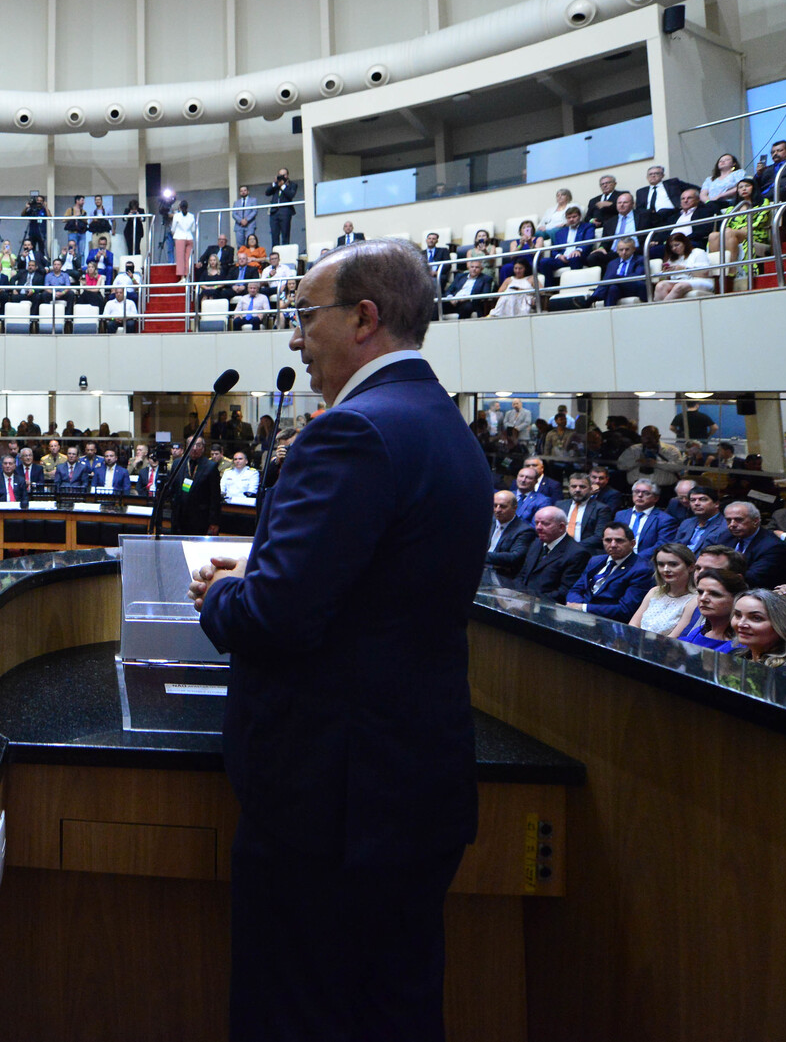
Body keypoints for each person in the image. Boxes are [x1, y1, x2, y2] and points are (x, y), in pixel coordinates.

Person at [187, 237, 489, 1042]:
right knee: (396, 1013)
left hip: (329, 810)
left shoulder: (351, 431)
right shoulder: (445, 425)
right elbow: (373, 589)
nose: (295, 338)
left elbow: (275, 619)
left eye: (305, 316)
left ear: (364, 318)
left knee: (297, 1016)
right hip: (412, 793)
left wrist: (223, 593)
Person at [564, 523, 655, 620]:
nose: (613, 545)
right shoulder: (595, 561)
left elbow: (626, 610)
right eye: (608, 540)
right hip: (580, 616)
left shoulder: (642, 570)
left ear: (632, 543)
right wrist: (576, 606)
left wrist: (583, 608)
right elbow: (575, 590)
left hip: (609, 622)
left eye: (619, 540)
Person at [729, 589, 786, 676]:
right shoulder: (736, 656)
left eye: (756, 618)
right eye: (738, 615)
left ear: (782, 626)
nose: (741, 624)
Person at [514, 506, 589, 601]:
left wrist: (532, 600)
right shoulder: (536, 543)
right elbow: (522, 574)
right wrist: (516, 593)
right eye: (536, 523)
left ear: (561, 527)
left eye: (545, 524)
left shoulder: (577, 554)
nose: (538, 527)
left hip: (546, 605)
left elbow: (565, 591)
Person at [628, 543, 699, 636]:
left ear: (691, 567)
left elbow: (673, 638)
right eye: (661, 564)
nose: (666, 569)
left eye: (673, 564)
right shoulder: (654, 591)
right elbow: (633, 625)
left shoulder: (694, 600)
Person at [722, 500, 786, 589]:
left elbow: (752, 579)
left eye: (739, 520)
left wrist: (717, 573)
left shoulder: (773, 547)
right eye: (728, 520)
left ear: (755, 521)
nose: (732, 525)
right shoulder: (726, 536)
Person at [675, 569, 745, 650]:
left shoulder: (742, 646)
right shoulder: (699, 631)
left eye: (715, 594)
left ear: (736, 599)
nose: (703, 598)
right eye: (700, 592)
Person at [485, 490, 537, 576]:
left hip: (502, 575)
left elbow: (514, 557)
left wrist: (481, 556)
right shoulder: (487, 522)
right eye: (495, 505)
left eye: (503, 506)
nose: (497, 510)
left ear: (515, 508)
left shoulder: (525, 531)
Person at [652, 231, 715, 300]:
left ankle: (663, 306)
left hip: (701, 280)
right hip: (679, 281)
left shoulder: (698, 252)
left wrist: (683, 269)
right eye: (671, 247)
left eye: (677, 245)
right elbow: (664, 279)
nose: (674, 248)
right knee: (660, 286)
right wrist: (665, 273)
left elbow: (704, 273)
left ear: (685, 243)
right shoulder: (672, 259)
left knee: (679, 286)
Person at [556, 471, 612, 546]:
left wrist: (574, 547)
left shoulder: (601, 509)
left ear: (590, 489)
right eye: (574, 486)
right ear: (569, 488)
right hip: (559, 547)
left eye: (582, 487)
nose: (577, 490)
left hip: (585, 549)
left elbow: (599, 536)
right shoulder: (560, 505)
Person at [264, 169, 298, 248]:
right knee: (274, 234)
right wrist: (274, 183)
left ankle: (285, 252)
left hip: (285, 212)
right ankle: (275, 252)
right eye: (280, 175)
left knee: (285, 234)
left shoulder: (292, 184)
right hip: (274, 212)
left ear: (287, 175)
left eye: (284, 175)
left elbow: (291, 195)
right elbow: (267, 193)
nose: (282, 177)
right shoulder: (276, 185)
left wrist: (283, 186)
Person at [170, 200, 196, 277]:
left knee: (180, 258)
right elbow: (193, 229)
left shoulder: (176, 216)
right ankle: (188, 275)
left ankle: (182, 277)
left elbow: (173, 228)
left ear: (180, 207)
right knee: (188, 258)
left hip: (179, 237)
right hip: (189, 237)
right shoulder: (191, 216)